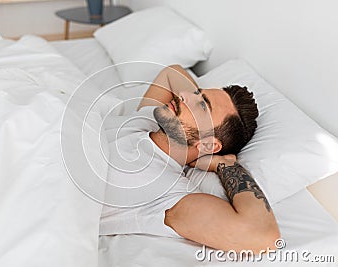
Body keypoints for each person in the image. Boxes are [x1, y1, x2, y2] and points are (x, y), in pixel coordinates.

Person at [100, 64, 280, 253]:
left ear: (209, 145)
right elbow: (172, 72)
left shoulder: (167, 195)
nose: (183, 96)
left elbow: (262, 235)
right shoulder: (149, 119)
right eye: (196, 94)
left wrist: (225, 166)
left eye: (202, 105)